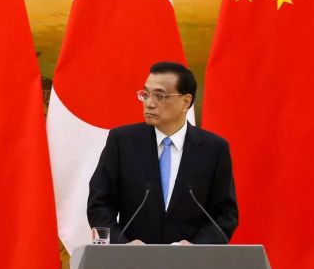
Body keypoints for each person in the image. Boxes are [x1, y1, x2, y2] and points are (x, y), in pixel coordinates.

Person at [87, 62, 237, 244]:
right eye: (145, 94)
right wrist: (123, 245)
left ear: (186, 102)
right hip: (132, 263)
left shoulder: (214, 149)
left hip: (190, 265)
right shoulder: (122, 141)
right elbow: (100, 203)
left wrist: (199, 248)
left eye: (159, 96)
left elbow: (225, 214)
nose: (149, 103)